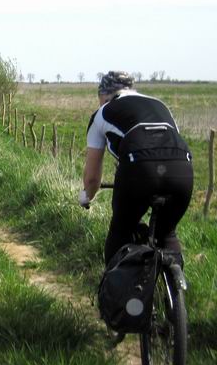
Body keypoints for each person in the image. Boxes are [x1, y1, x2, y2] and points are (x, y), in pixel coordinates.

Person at [80, 71, 193, 264]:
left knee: (121, 231)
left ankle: (114, 292)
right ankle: (176, 289)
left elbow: (91, 178)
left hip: (139, 170)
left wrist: (86, 196)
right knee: (166, 233)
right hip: (182, 168)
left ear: (105, 95)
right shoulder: (160, 105)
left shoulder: (103, 112)